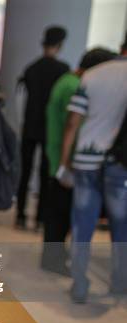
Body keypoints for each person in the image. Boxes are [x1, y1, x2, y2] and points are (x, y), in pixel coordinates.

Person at [59, 48, 127, 303]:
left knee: (82, 224)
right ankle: (120, 282)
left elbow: (72, 123)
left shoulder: (93, 75)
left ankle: (79, 283)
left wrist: (66, 161)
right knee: (122, 226)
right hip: (120, 164)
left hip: (86, 159)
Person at [42, 48, 116, 275]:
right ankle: (53, 260)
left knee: (57, 212)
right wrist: (68, 162)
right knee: (61, 215)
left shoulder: (66, 80)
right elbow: (72, 126)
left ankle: (54, 257)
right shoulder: (75, 86)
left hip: (56, 155)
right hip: (65, 161)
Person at [16, 26, 70, 230]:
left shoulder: (31, 68)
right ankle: (40, 218)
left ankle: (20, 215)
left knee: (25, 171)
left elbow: (22, 97)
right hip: (50, 129)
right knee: (47, 174)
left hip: (29, 126)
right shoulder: (63, 70)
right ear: (60, 44)